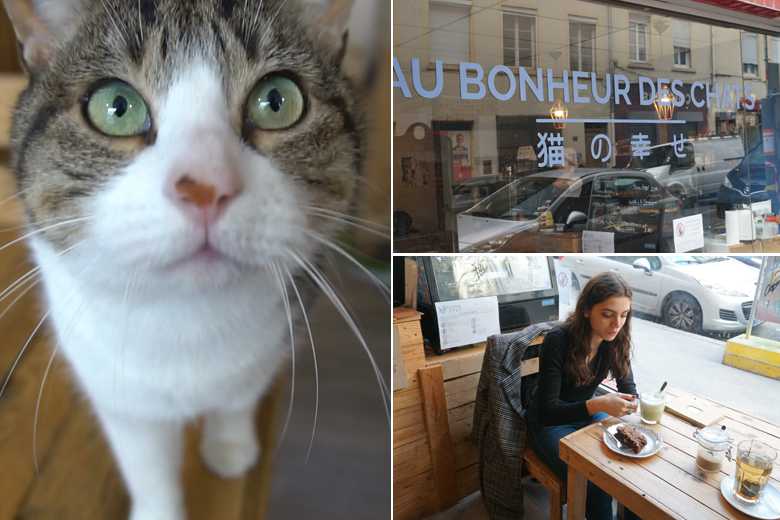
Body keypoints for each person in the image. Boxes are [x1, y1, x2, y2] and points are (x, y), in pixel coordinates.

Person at [527, 272, 641, 520]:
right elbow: (548, 411)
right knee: (597, 480)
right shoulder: (558, 340)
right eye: (608, 314)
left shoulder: (615, 339)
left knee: (633, 465)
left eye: (624, 315)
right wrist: (598, 404)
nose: (616, 324)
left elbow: (629, 388)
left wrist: (632, 403)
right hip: (548, 422)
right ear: (587, 310)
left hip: (587, 414)